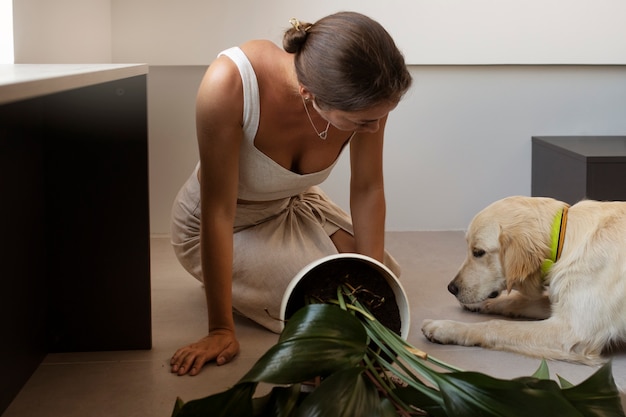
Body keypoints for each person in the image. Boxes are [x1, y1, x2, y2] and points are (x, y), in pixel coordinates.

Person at [169, 11, 412, 376]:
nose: (374, 128)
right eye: (364, 122)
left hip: (292, 206)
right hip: (223, 223)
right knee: (325, 307)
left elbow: (367, 186)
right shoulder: (228, 83)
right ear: (308, 94)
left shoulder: (368, 94)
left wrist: (370, 275)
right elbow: (216, 211)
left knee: (381, 281)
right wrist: (220, 329)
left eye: (381, 117)